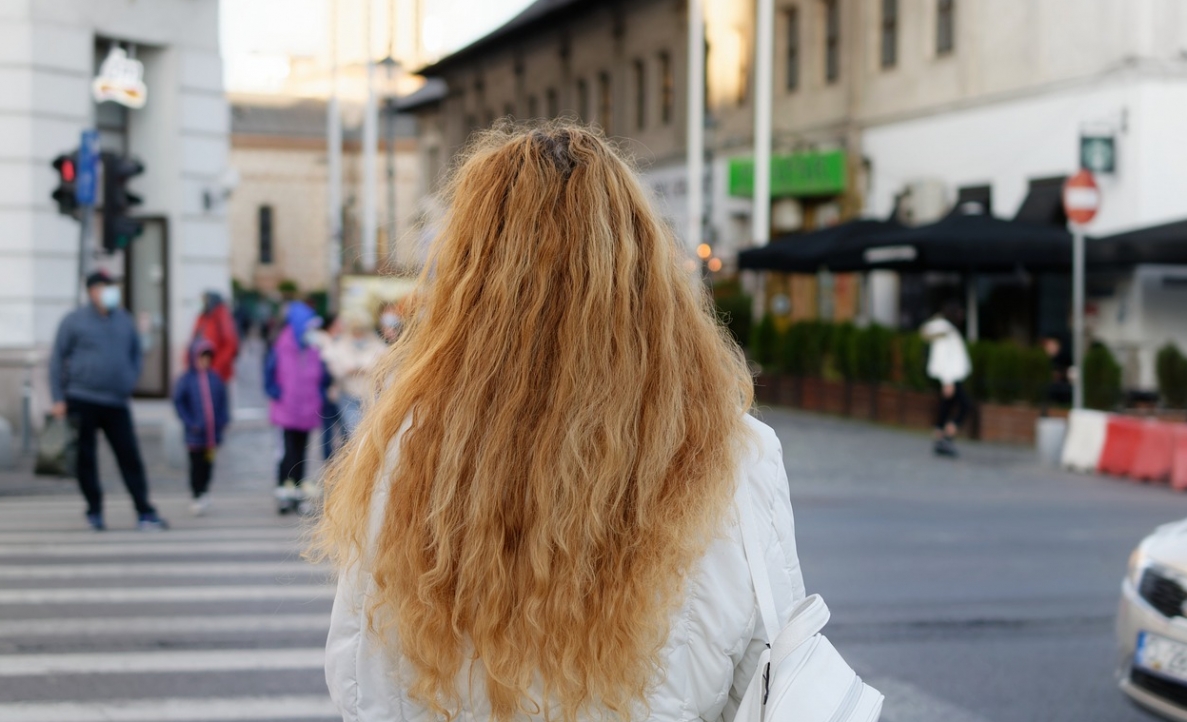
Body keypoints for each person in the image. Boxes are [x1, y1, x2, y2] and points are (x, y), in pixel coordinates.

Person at [313, 125, 806, 721]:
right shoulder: (737, 453)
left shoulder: (408, 444)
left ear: (473, 280)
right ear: (646, 276)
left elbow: (361, 679)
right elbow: (773, 672)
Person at [49, 271, 168, 531]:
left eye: (112, 286)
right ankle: (95, 511)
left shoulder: (124, 320)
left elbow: (136, 352)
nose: (111, 291)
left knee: (129, 456)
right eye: (105, 286)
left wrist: (130, 379)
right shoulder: (74, 321)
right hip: (82, 399)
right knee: (86, 459)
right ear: (92, 291)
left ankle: (144, 510)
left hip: (116, 401)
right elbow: (57, 358)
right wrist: (58, 397)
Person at [265, 300, 325, 514]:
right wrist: (278, 395)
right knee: (287, 452)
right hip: (287, 409)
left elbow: (322, 375)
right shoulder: (282, 346)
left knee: (301, 453)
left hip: (307, 409)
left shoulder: (313, 347)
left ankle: (298, 492)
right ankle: (284, 492)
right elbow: (269, 375)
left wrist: (320, 395)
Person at [172, 339, 231, 516]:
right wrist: (190, 422)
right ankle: (196, 493)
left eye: (207, 357)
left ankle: (205, 490)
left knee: (208, 464)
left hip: (212, 435)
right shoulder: (187, 379)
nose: (204, 361)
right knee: (196, 465)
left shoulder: (215, 378)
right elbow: (179, 401)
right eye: (201, 357)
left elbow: (223, 401)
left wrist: (223, 420)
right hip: (195, 435)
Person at [318, 310, 386, 439]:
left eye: (361, 330)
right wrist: (347, 370)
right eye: (355, 330)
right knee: (354, 433)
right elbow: (334, 367)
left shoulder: (378, 345)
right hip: (347, 395)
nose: (358, 334)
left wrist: (368, 369)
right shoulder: (340, 345)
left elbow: (384, 368)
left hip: (370, 397)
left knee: (368, 434)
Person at [921, 299, 972, 457]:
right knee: (963, 406)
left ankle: (941, 437)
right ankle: (946, 436)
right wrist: (947, 381)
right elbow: (943, 357)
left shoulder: (947, 330)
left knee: (946, 407)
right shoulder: (945, 331)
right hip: (950, 378)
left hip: (951, 377)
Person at [192, 290, 240, 382]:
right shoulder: (202, 317)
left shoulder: (221, 316)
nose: (201, 303)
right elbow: (195, 340)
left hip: (217, 373)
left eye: (204, 300)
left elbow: (230, 345)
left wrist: (216, 367)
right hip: (202, 371)